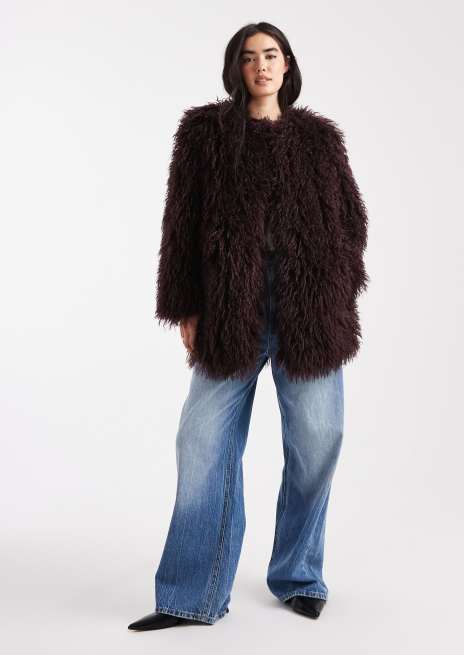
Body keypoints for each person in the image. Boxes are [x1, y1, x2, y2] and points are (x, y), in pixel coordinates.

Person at [128, 21, 369, 631]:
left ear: (288, 65)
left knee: (318, 442)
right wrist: (186, 303)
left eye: (271, 54)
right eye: (248, 56)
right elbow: (180, 221)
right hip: (229, 305)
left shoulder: (319, 139)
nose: (260, 65)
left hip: (308, 309)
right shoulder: (204, 134)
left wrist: (337, 288)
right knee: (201, 444)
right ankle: (190, 594)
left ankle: (298, 576)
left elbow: (351, 219)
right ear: (235, 68)